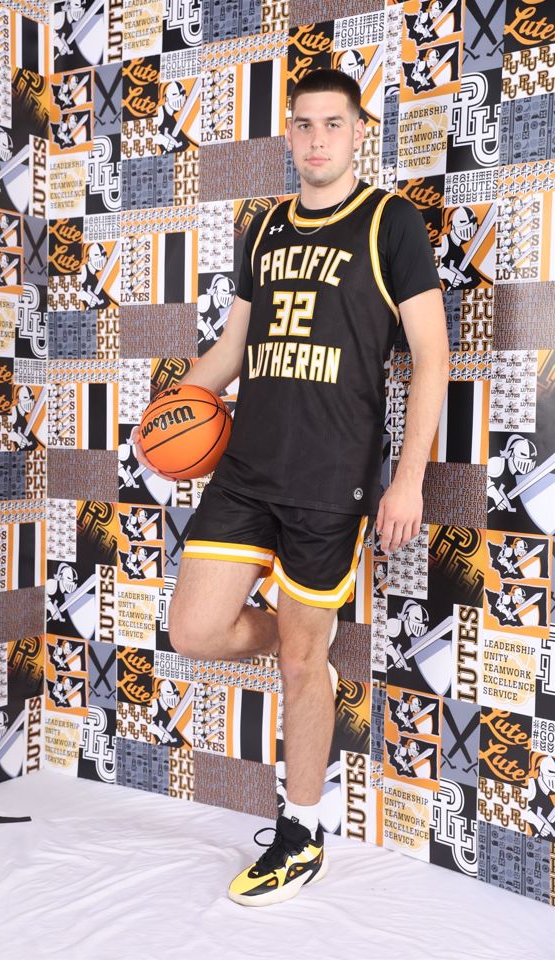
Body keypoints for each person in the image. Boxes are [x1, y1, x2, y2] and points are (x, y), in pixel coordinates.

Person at [133, 68, 449, 907]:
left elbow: (432, 356)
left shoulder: (390, 222)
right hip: (247, 469)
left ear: (358, 131)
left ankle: (302, 832)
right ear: (290, 133)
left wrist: (409, 479)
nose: (316, 139)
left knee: (304, 663)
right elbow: (233, 350)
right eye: (303, 124)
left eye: (332, 124)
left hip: (330, 479)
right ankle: (306, 648)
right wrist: (167, 414)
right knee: (196, 628)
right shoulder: (267, 225)